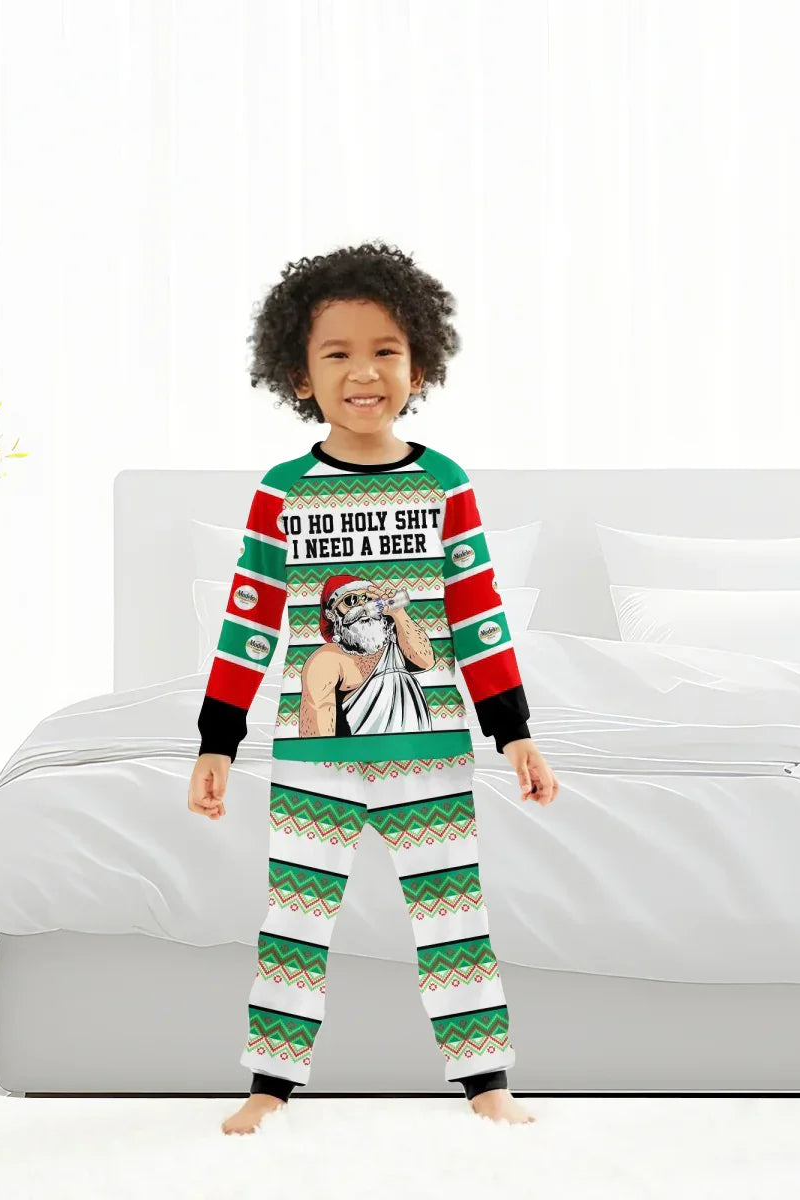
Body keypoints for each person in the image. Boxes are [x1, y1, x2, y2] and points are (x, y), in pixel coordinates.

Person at [188, 241, 559, 1135]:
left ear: (421, 363)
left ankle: (487, 1081)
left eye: (386, 350)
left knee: (452, 915)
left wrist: (513, 731)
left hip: (427, 753)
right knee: (296, 915)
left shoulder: (444, 486)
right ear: (298, 375)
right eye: (338, 354)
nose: (364, 372)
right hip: (315, 758)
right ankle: (270, 1085)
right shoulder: (282, 492)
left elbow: (478, 617)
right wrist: (216, 739)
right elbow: (248, 625)